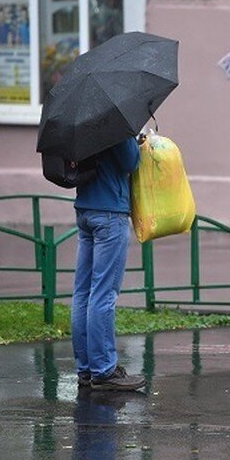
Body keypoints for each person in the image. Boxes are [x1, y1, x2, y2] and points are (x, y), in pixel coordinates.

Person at [71, 136, 146, 391]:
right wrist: (134, 141)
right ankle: (104, 370)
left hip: (85, 209)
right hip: (109, 213)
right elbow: (130, 161)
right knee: (103, 293)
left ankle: (86, 369)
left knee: (82, 294)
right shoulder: (112, 123)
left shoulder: (81, 120)